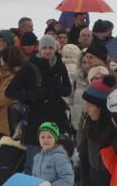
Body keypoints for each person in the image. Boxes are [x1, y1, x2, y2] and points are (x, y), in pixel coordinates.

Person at [5, 35, 72, 173]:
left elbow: (67, 89)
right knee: (33, 164)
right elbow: (10, 91)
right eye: (45, 48)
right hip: (35, 121)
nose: (48, 51)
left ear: (55, 49)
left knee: (53, 165)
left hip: (55, 120)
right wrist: (30, 95)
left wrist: (59, 88)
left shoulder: (59, 65)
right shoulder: (30, 66)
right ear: (39, 49)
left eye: (51, 48)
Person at [0, 45, 23, 138]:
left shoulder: (13, 77)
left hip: (8, 124)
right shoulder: (3, 74)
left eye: (2, 56)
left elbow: (2, 99)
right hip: (1, 121)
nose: (0, 58)